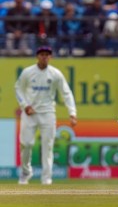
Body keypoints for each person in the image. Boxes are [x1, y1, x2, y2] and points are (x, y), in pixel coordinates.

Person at [15, 46, 77, 185]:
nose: (44, 57)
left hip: (48, 113)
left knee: (48, 146)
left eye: (47, 55)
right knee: (26, 144)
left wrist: (72, 113)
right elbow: (18, 88)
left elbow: (66, 93)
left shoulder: (55, 74)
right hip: (30, 113)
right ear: (37, 56)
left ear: (51, 57)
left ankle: (46, 178)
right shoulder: (28, 72)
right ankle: (25, 173)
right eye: (42, 54)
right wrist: (25, 105)